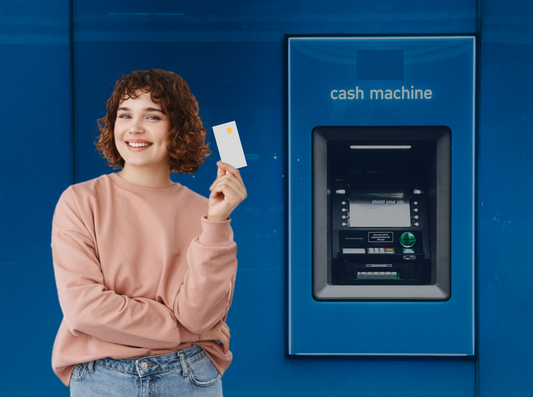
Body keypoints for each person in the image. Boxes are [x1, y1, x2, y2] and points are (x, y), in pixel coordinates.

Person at [50, 68, 246, 396]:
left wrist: (216, 223)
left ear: (177, 128)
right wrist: (185, 332)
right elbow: (85, 310)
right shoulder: (81, 201)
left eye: (153, 116)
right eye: (125, 115)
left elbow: (199, 318)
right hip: (102, 378)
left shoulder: (207, 212)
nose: (135, 128)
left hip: (189, 375)